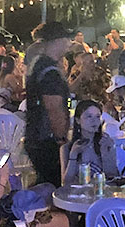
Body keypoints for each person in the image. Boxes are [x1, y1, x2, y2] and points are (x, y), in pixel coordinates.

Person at [25, 22, 72, 188]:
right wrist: (61, 139)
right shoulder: (50, 72)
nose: (69, 43)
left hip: (36, 137)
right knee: (54, 187)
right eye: (67, 39)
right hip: (48, 140)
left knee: (45, 184)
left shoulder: (38, 65)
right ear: (58, 40)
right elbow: (54, 109)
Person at [61, 100, 118, 184]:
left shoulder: (105, 143)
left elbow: (112, 178)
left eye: (97, 117)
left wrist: (106, 154)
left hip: (102, 190)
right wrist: (73, 155)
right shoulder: (67, 148)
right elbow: (66, 183)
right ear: (78, 120)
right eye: (89, 116)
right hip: (78, 191)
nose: (94, 121)